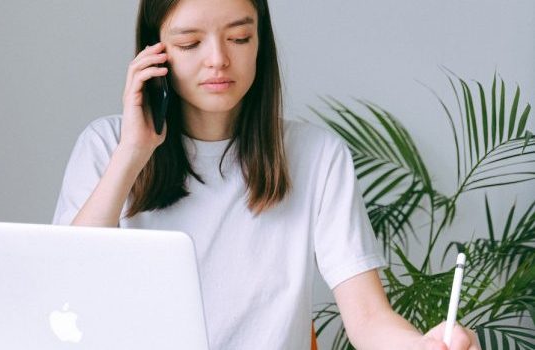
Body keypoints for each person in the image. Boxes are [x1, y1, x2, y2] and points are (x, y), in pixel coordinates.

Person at [52, 0, 480, 349]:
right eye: (189, 43)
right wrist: (133, 151)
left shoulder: (317, 156)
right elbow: (69, 288)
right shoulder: (106, 145)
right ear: (153, 54)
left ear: (260, 42)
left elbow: (368, 318)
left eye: (239, 37)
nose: (218, 60)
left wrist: (424, 347)